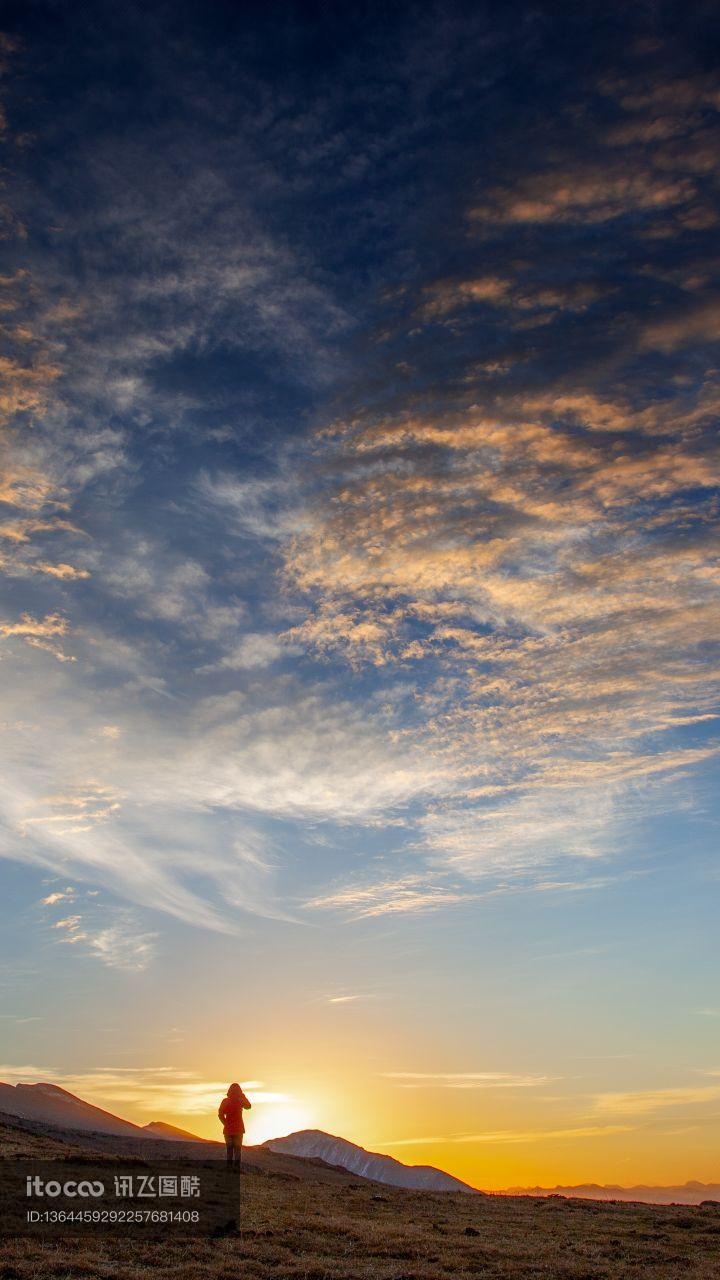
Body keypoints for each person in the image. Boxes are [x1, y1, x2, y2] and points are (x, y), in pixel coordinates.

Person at [218, 1082, 251, 1171]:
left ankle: (229, 1168)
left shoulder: (225, 1101)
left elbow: (220, 1114)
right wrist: (243, 1097)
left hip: (228, 1130)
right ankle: (236, 1169)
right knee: (237, 1150)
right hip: (238, 1129)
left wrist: (226, 1123)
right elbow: (248, 1106)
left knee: (229, 1150)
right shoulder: (240, 1100)